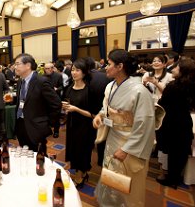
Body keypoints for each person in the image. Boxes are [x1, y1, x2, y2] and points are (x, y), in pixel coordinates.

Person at [93, 49, 155, 207]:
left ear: (120, 66)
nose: (106, 67)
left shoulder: (140, 91)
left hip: (131, 142)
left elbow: (145, 125)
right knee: (112, 177)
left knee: (130, 183)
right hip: (113, 138)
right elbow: (106, 107)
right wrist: (100, 116)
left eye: (109, 64)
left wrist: (127, 149)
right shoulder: (110, 86)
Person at [156, 57, 195, 189]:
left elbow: (162, 104)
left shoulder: (173, 86)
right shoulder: (192, 85)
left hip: (172, 122)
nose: (173, 69)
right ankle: (176, 177)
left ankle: (172, 179)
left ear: (182, 70)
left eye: (176, 67)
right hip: (185, 121)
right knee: (181, 151)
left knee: (173, 152)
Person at [12, 53, 61, 152]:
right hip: (21, 124)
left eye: (17, 64)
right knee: (25, 153)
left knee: (39, 157)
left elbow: (56, 104)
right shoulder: (20, 81)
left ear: (28, 65)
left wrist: (48, 124)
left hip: (36, 126)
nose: (15, 67)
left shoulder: (41, 81)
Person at [62, 58, 94, 188]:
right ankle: (80, 171)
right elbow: (67, 105)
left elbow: (93, 114)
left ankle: (81, 174)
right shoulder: (69, 88)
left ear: (84, 72)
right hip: (71, 124)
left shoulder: (89, 90)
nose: (74, 73)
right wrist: (65, 107)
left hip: (85, 126)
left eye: (77, 70)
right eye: (73, 70)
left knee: (83, 150)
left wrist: (76, 109)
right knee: (73, 149)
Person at [85, 57, 111, 167]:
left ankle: (86, 162)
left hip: (86, 112)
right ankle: (101, 160)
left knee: (87, 139)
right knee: (101, 137)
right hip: (102, 111)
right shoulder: (107, 77)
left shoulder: (83, 77)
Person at [44, 62, 63, 138]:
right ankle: (47, 130)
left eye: (48, 68)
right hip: (45, 100)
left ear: (52, 68)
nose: (47, 70)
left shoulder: (58, 76)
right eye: (45, 69)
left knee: (56, 117)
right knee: (46, 116)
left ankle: (56, 131)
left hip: (55, 100)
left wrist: (57, 89)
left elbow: (62, 87)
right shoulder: (42, 77)